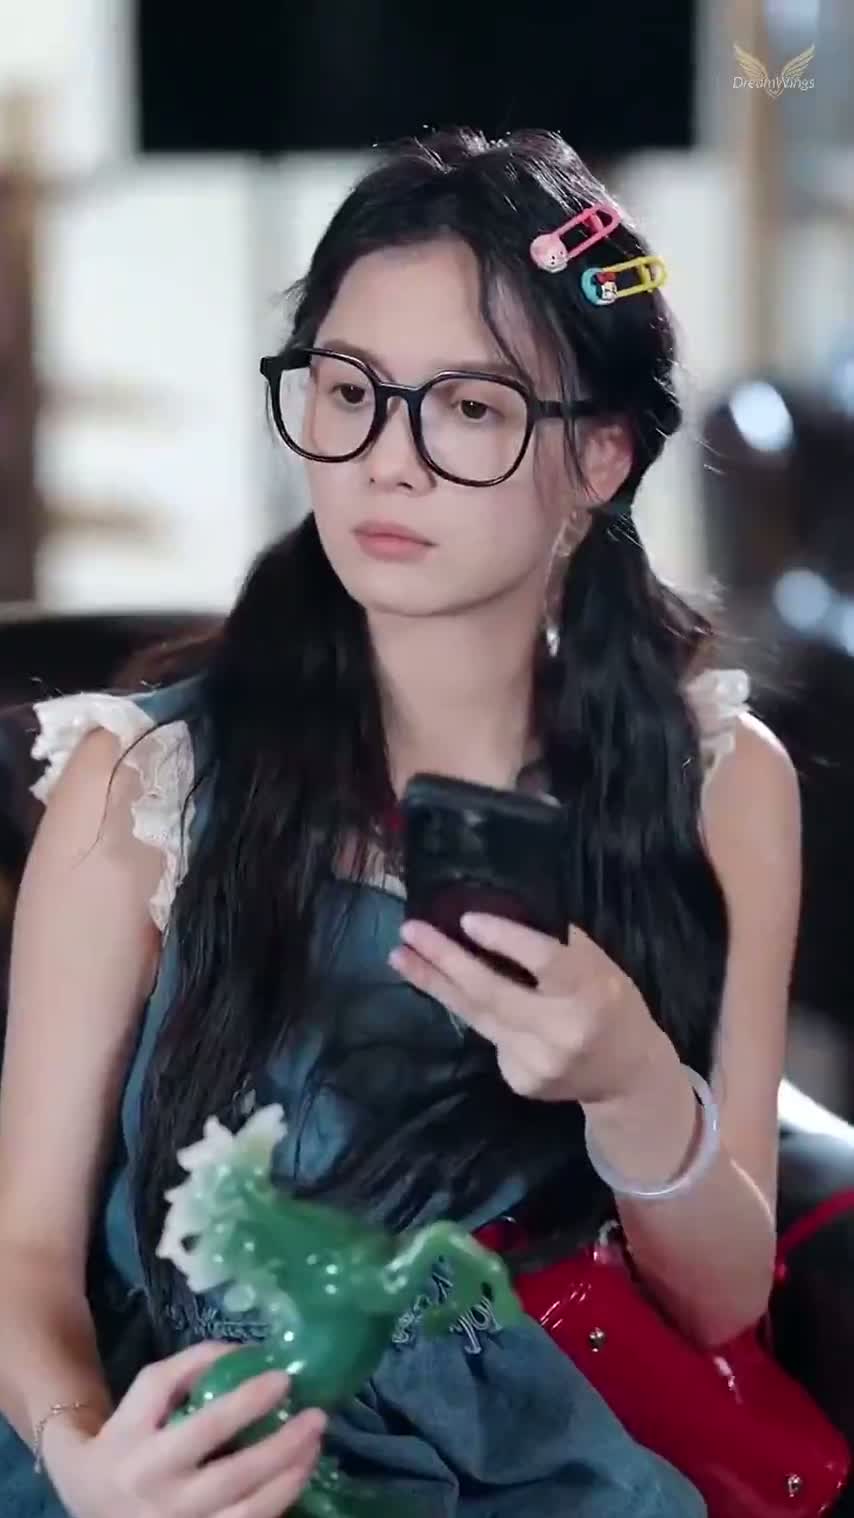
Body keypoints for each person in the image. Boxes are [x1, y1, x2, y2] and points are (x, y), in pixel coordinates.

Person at [0, 127, 801, 1517]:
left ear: (601, 455)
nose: (388, 461)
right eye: (349, 390)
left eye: (469, 407)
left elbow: (722, 1299)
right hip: (192, 1458)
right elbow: (23, 1254)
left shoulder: (717, 780)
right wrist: (86, 1459)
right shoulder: (144, 786)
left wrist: (630, 1083)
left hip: (532, 1466)